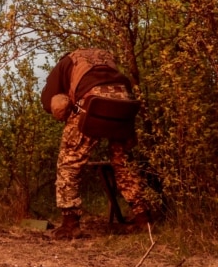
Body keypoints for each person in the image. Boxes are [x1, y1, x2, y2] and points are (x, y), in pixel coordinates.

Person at [40, 48, 150, 239]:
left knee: (69, 162)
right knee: (124, 163)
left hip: (92, 103)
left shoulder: (66, 61)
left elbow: (47, 100)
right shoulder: (107, 58)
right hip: (125, 104)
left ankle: (70, 224)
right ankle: (144, 219)